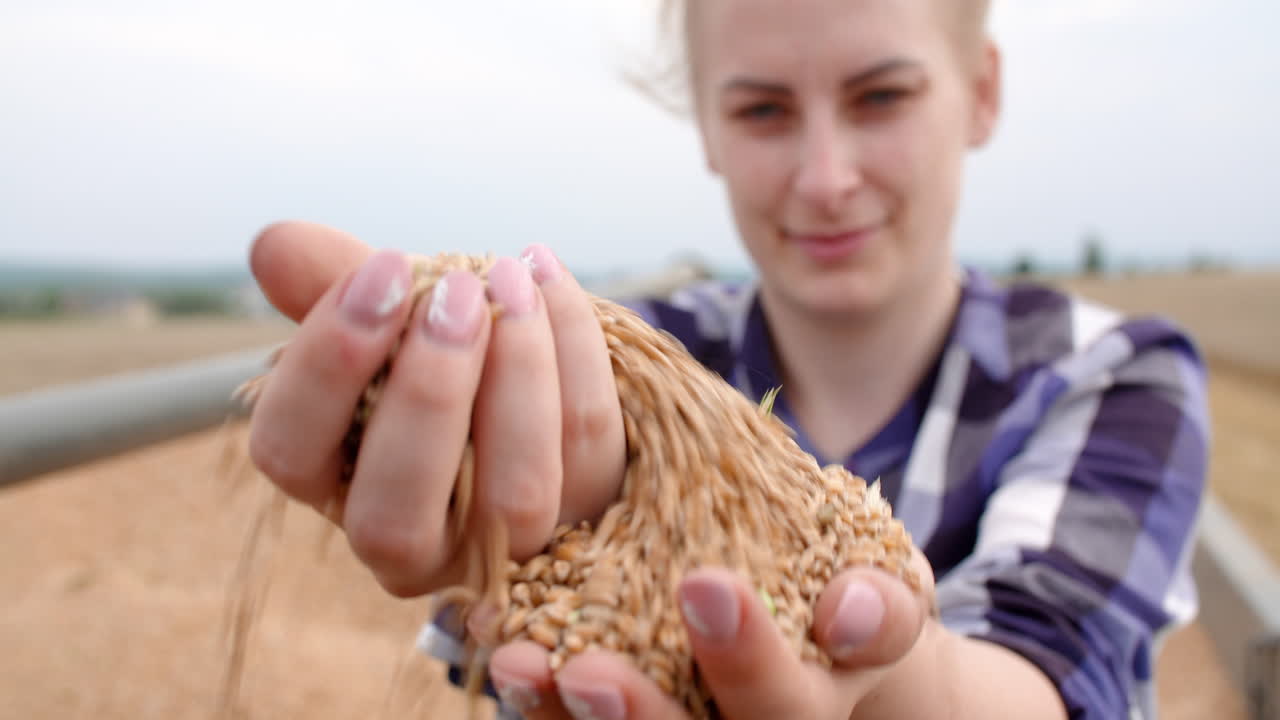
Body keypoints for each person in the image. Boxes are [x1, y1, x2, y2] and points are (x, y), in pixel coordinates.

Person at [244, 0, 1208, 718]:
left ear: (982, 93)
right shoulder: (613, 373)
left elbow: (1046, 675)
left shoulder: (1113, 372)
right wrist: (503, 534)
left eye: (880, 97)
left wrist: (875, 673)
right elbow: (528, 663)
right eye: (762, 112)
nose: (825, 179)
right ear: (707, 126)